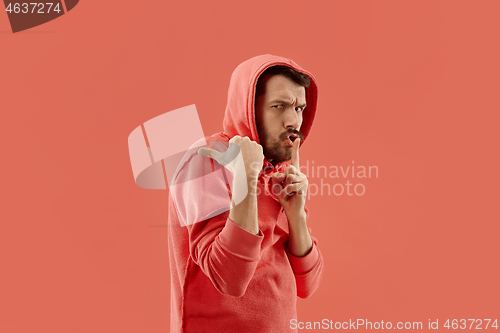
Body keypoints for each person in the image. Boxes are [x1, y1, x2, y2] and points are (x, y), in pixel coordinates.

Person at [167, 54, 324, 333]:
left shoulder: (280, 169)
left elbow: (307, 285)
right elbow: (229, 279)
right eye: (279, 106)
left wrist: (296, 213)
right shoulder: (205, 161)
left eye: (300, 108)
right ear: (248, 107)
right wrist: (246, 182)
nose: (293, 121)